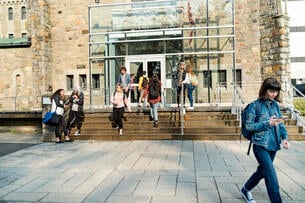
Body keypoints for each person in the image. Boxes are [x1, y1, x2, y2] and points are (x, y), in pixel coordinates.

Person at [240, 77, 290, 203]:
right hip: (260, 146)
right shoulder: (254, 106)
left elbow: (280, 124)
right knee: (271, 175)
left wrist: (284, 138)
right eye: (271, 91)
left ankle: (245, 189)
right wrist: (268, 123)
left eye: (276, 91)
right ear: (264, 90)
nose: (274, 94)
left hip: (274, 145)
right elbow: (249, 126)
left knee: (262, 171)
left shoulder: (275, 105)